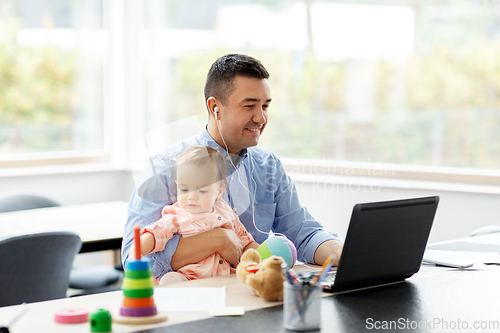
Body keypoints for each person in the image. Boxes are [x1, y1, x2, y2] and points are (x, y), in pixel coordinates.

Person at [122, 54, 343, 280]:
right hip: (192, 302)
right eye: (249, 106)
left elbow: (303, 234)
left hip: (255, 298)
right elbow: (136, 259)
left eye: (265, 106)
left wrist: (345, 254)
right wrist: (217, 239)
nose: (261, 117)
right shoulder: (165, 167)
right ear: (214, 107)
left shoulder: (269, 167)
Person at [129, 145, 258, 284]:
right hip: (191, 282)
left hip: (226, 283)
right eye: (184, 189)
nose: (192, 197)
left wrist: (262, 257)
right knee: (170, 279)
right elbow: (156, 234)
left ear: (220, 191)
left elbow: (246, 242)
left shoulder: (226, 211)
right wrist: (136, 252)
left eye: (202, 191)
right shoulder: (177, 215)